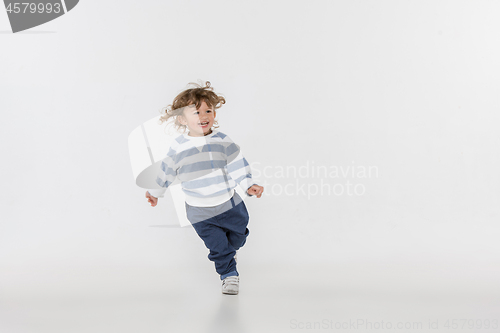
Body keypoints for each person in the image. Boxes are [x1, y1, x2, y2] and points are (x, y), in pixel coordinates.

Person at [145, 81, 264, 295]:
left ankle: (230, 250)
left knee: (239, 235)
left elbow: (237, 163)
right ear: (182, 119)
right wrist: (155, 193)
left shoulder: (222, 140)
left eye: (208, 110)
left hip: (230, 204)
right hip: (199, 211)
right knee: (218, 247)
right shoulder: (179, 147)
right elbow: (166, 172)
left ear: (215, 114)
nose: (203, 116)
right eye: (196, 112)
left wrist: (249, 184)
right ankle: (229, 275)